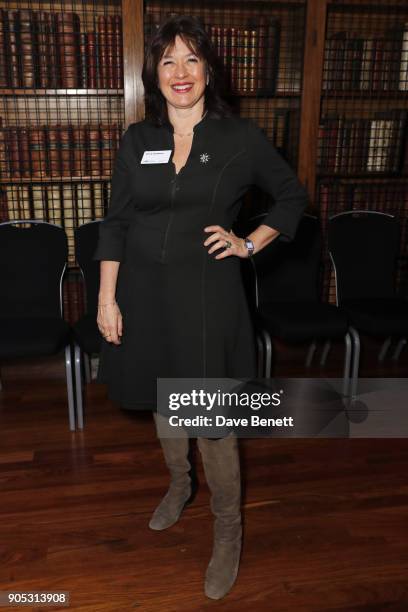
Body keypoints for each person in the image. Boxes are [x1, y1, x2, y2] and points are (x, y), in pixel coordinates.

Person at [93, 14, 308, 600]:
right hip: (144, 295)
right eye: (167, 61)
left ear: (209, 70)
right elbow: (116, 222)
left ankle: (228, 530)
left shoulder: (241, 138)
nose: (179, 72)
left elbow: (291, 198)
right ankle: (179, 485)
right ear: (154, 75)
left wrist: (249, 242)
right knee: (166, 398)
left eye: (191, 59)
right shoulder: (138, 140)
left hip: (209, 300)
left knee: (210, 421)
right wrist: (107, 298)